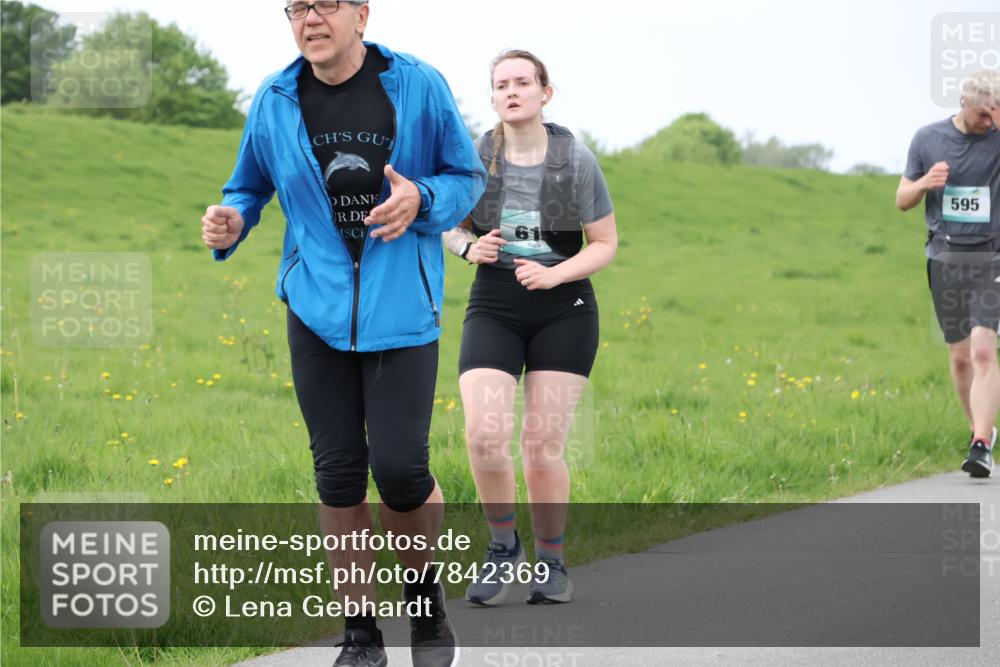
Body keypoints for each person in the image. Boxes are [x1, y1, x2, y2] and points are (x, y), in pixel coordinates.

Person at [200, 2, 485, 665]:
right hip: (316, 309)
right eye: (297, 8)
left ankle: (423, 604)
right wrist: (232, 220)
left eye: (325, 4)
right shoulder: (274, 98)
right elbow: (247, 187)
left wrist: (423, 199)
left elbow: (467, 176)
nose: (310, 18)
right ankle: (360, 634)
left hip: (401, 311)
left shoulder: (417, 84)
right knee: (336, 475)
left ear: (361, 13)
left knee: (401, 470)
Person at [442, 50, 618, 605]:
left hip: (563, 308)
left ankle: (552, 563)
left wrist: (554, 274)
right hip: (494, 302)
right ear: (492, 98)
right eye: (501, 85)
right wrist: (471, 247)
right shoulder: (477, 157)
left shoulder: (577, 159)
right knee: (483, 435)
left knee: (541, 446)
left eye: (523, 82)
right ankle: (501, 548)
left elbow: (606, 244)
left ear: (546, 92)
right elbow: (450, 227)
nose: (512, 91)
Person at [896, 69, 1000, 478]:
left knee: (982, 351)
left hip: (992, 258)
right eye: (982, 116)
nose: (988, 123)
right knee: (959, 360)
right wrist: (924, 183)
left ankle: (979, 444)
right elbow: (901, 200)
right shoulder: (927, 138)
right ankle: (981, 432)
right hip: (945, 259)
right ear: (963, 105)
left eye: (995, 114)